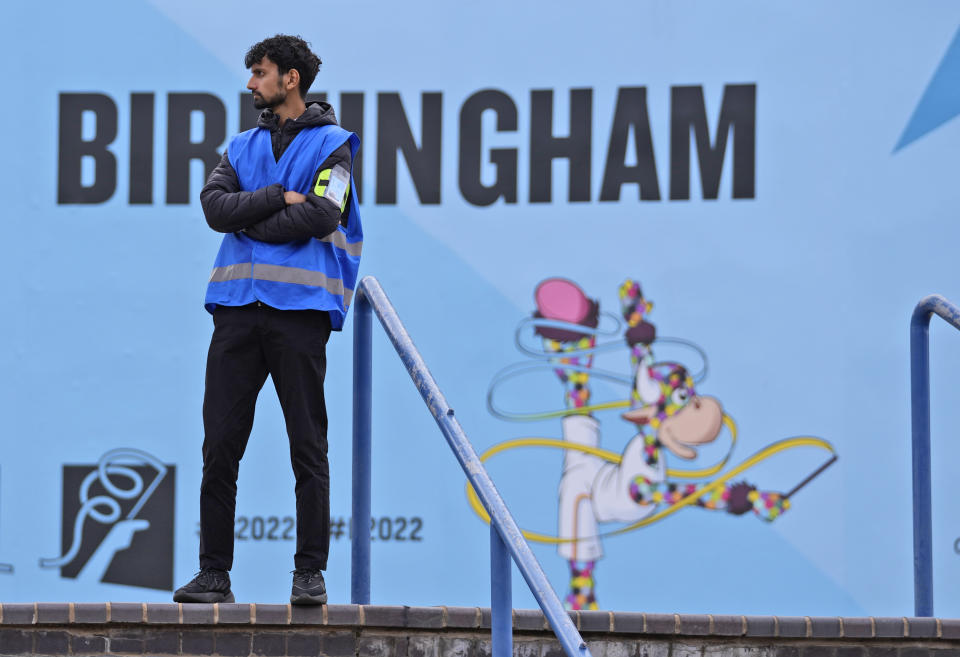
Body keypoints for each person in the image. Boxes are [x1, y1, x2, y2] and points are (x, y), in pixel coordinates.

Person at [173, 34, 362, 605]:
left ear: (291, 79)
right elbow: (213, 210)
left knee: (308, 445)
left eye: (259, 72)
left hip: (299, 316)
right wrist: (280, 197)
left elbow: (326, 212)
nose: (251, 83)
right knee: (220, 446)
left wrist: (250, 218)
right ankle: (214, 574)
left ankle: (309, 574)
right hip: (236, 314)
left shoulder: (335, 145)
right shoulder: (239, 147)